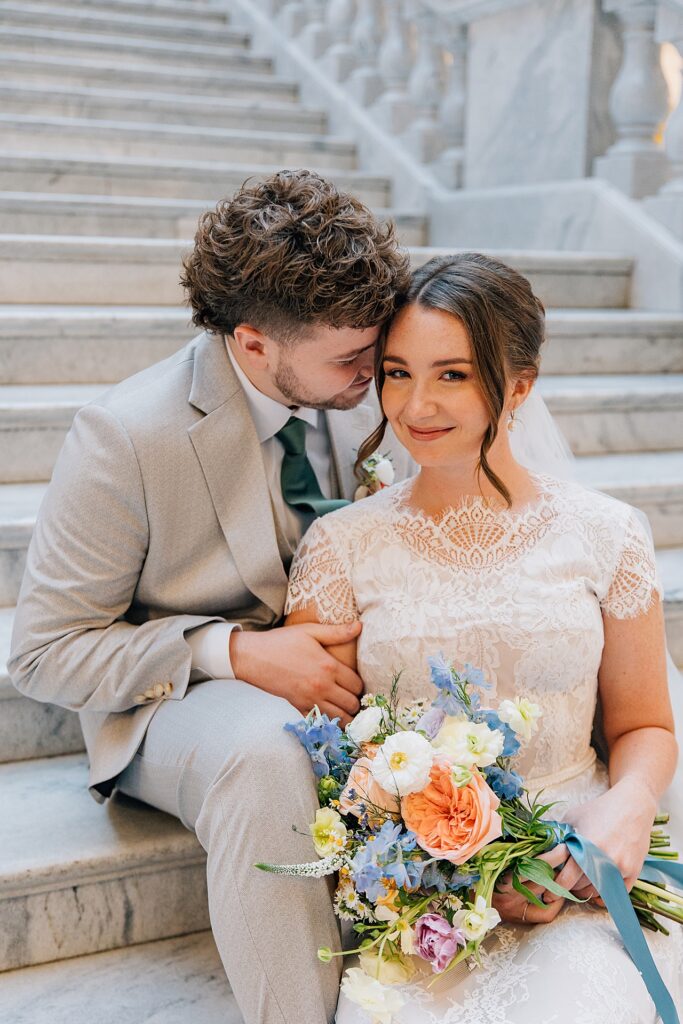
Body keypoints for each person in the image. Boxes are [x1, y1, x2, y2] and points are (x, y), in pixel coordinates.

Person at [8, 169, 414, 1024]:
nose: (377, 376)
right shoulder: (125, 435)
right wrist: (233, 652)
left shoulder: (368, 388)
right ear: (254, 342)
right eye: (351, 360)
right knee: (268, 755)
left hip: (352, 670)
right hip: (182, 695)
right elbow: (44, 655)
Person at [285, 252, 683, 1022]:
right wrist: (443, 872)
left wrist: (630, 803)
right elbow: (327, 763)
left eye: (453, 375)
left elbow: (644, 724)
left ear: (520, 385)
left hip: (579, 867)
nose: (416, 405)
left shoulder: (607, 534)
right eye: (396, 373)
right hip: (420, 900)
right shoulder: (339, 549)